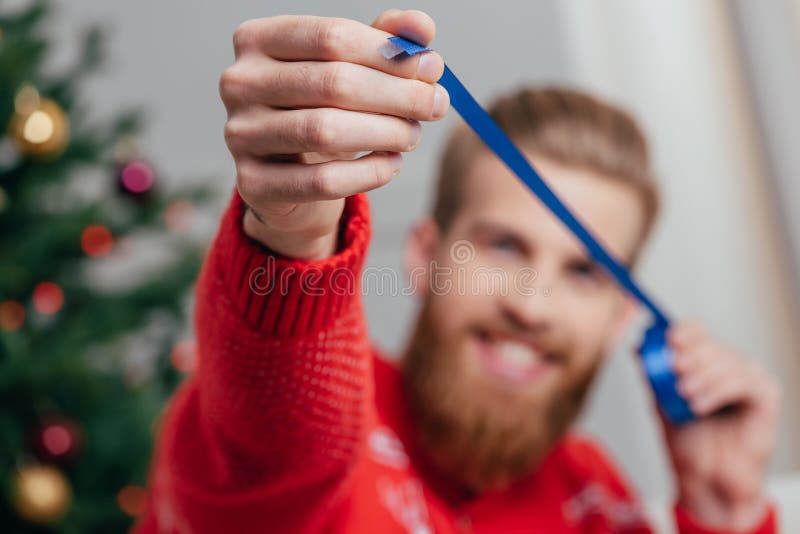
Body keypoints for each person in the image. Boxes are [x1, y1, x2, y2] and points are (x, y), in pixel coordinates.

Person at [134, 9, 780, 534]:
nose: (532, 306)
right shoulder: (301, 439)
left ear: (620, 317)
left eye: (584, 273)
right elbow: (277, 421)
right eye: (504, 247)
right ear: (424, 256)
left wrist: (724, 512)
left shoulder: (599, 498)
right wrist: (294, 232)